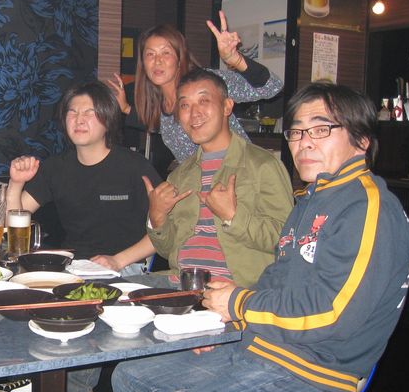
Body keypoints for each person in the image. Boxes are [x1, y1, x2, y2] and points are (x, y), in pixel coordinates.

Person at [108, 83, 409, 392]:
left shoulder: (366, 206)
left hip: (312, 371)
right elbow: (276, 279)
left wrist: (238, 304)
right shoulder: (312, 199)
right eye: (297, 131)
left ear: (361, 140)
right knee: (129, 377)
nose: (304, 142)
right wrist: (230, 322)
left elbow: (333, 313)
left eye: (320, 129)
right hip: (261, 345)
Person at [0, 80, 161, 392]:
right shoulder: (57, 167)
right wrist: (15, 184)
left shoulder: (133, 166)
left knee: (80, 305)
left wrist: (118, 259)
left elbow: (164, 233)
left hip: (126, 268)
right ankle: (41, 377)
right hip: (74, 268)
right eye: (72, 112)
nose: (79, 119)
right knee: (11, 291)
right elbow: (13, 221)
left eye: (89, 112)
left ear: (108, 119)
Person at [94, 69, 293, 286]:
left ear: (227, 106)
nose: (194, 113)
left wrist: (232, 217)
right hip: (180, 282)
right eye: (185, 106)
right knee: (104, 292)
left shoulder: (263, 165)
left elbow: (287, 240)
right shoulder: (181, 175)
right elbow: (167, 249)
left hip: (234, 289)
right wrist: (157, 217)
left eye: (204, 101)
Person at [107, 11, 283, 167]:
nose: (157, 61)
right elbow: (160, 125)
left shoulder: (205, 82)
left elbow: (272, 87)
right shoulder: (162, 106)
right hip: (204, 187)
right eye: (150, 54)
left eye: (166, 52)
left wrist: (235, 60)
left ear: (179, 58)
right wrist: (126, 108)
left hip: (242, 178)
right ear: (143, 64)